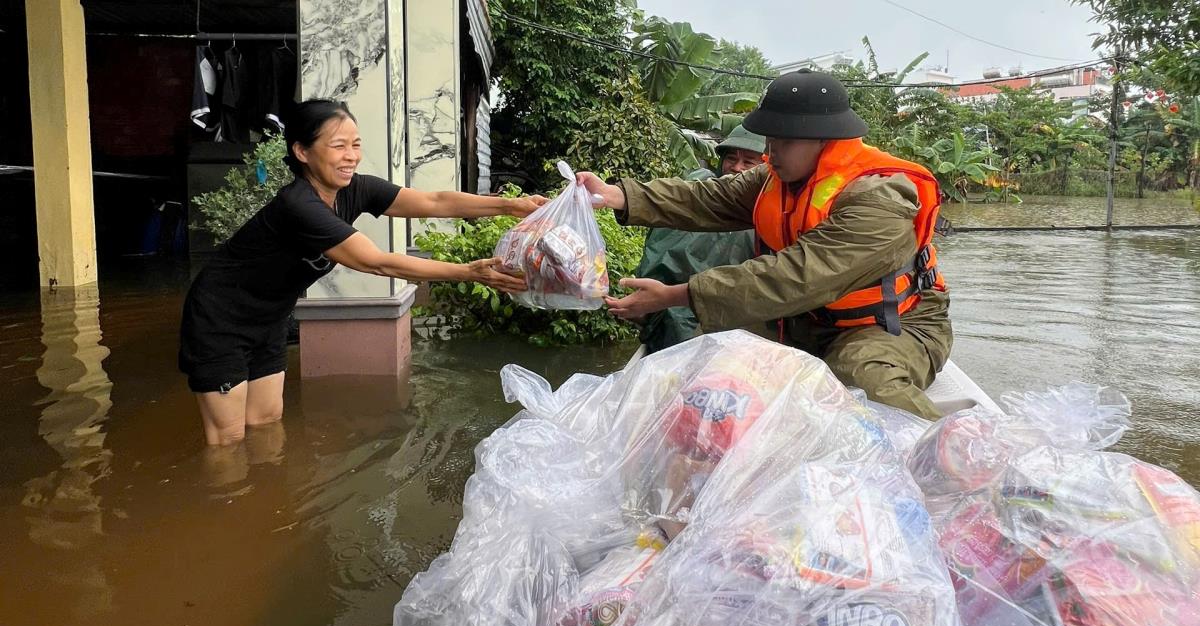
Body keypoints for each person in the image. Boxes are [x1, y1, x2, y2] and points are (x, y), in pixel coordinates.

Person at [580, 70, 950, 419]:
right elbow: (706, 198)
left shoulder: (879, 200)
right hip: (809, 318)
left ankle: (959, 463)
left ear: (823, 140)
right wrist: (619, 196)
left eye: (783, 140)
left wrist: (676, 295)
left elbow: (794, 277)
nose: (770, 152)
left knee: (861, 378)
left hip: (891, 324)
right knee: (711, 356)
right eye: (770, 139)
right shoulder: (777, 176)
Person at [180, 99, 545, 445]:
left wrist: (512, 206)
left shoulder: (356, 190)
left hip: (270, 317)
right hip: (221, 318)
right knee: (227, 440)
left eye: (355, 144)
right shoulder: (299, 205)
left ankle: (260, 504)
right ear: (302, 152)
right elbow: (376, 261)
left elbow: (433, 201)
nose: (351, 156)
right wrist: (469, 272)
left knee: (265, 424)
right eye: (338, 146)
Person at [634, 124, 766, 353]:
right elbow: (659, 260)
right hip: (676, 322)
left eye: (748, 162)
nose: (736, 168)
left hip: (738, 332)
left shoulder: (774, 211)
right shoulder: (699, 192)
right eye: (731, 159)